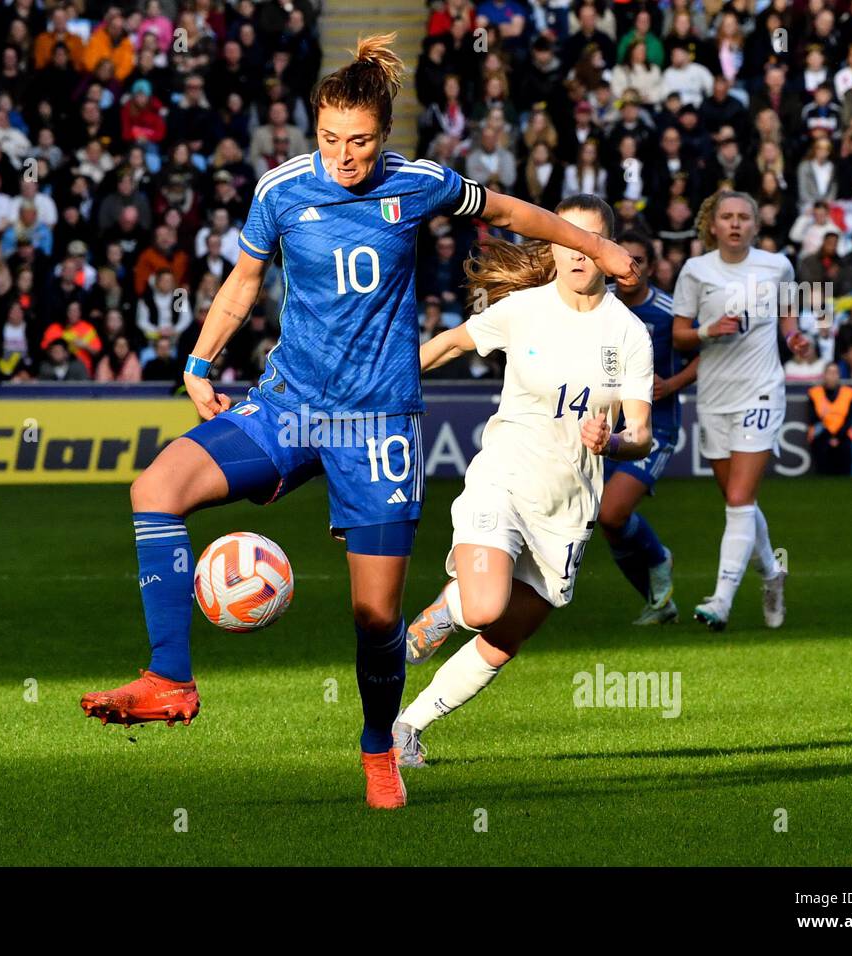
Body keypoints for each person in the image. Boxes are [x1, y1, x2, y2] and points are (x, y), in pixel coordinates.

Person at [77, 34, 639, 811]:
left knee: (375, 619)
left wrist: (596, 244)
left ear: (385, 134)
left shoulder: (420, 184)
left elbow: (511, 210)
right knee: (156, 488)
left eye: (362, 141)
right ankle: (170, 678)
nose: (345, 156)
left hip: (377, 427)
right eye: (331, 139)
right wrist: (201, 363)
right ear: (314, 131)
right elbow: (244, 281)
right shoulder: (281, 190)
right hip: (289, 406)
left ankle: (380, 751)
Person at [391, 196, 654, 767]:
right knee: (485, 608)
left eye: (592, 240)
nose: (579, 251)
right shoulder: (524, 310)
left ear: (608, 253)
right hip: (504, 480)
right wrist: (387, 383)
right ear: (553, 246)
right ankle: (450, 608)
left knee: (503, 639)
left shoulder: (630, 334)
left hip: (568, 509)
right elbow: (455, 342)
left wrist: (614, 443)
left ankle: (407, 726)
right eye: (569, 238)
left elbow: (643, 435)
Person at [671, 191, 809, 631]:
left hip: (762, 392)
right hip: (713, 396)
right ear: (713, 225)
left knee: (737, 500)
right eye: (726, 217)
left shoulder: (777, 266)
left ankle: (721, 600)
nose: (735, 224)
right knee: (740, 501)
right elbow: (679, 336)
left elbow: (788, 315)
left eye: (743, 217)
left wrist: (794, 339)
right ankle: (771, 574)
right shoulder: (695, 271)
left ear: (755, 225)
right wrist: (708, 330)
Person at [599, 231, 699, 625]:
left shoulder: (670, 312)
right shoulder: (598, 303)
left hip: (655, 428)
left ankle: (659, 557)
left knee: (612, 513)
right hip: (604, 424)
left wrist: (672, 385)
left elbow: (704, 357)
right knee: (607, 523)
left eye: (638, 259)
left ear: (653, 267)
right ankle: (660, 603)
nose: (629, 267)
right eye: (623, 258)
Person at [807, 363, 852, 475]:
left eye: (835, 373)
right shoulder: (814, 393)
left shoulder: (848, 393)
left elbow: (850, 419)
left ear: (839, 375)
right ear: (824, 375)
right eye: (829, 372)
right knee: (821, 448)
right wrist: (829, 436)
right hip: (822, 436)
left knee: (845, 451)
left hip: (842, 436)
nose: (832, 376)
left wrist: (837, 437)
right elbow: (812, 419)